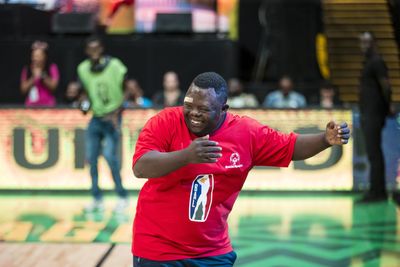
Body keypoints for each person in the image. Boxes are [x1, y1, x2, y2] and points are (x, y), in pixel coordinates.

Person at [131, 72, 350, 266]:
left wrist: (324, 139)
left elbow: (291, 147)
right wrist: (187, 156)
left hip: (211, 251)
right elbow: (141, 167)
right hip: (157, 249)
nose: (193, 113)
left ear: (223, 109)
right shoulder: (165, 121)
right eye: (189, 106)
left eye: (203, 109)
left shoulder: (246, 133)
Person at [77, 36, 129, 213]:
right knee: (91, 158)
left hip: (112, 118)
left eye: (97, 48)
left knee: (109, 156)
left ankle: (122, 196)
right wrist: (83, 102)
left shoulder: (115, 65)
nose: (94, 53)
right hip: (96, 118)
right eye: (90, 49)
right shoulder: (82, 69)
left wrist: (118, 111)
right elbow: (85, 92)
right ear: (86, 52)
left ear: (102, 49)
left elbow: (129, 88)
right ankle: (96, 198)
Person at [358, 32, 392, 203]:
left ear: (374, 43)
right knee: (373, 154)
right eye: (361, 42)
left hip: (374, 114)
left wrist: (387, 107)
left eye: (367, 42)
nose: (364, 45)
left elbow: (386, 86)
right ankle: (378, 191)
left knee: (374, 154)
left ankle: (377, 192)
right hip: (369, 113)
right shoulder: (368, 63)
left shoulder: (377, 62)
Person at [20, 41, 59, 107]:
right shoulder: (27, 69)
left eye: (38, 56)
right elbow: (23, 89)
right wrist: (33, 78)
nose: (35, 58)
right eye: (33, 56)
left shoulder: (51, 67)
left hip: (48, 105)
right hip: (31, 105)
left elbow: (54, 87)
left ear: (45, 56)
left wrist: (42, 76)